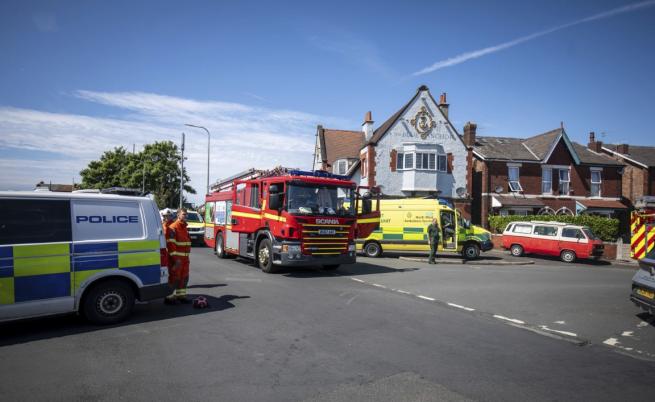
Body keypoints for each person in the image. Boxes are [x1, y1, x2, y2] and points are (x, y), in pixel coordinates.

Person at [166, 208, 192, 304]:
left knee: (184, 278)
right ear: (178, 215)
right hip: (176, 259)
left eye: (186, 214)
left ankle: (181, 296)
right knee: (174, 278)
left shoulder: (184, 227)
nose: (186, 216)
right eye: (184, 214)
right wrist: (176, 260)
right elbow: (171, 245)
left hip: (185, 259)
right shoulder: (173, 227)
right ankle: (169, 297)